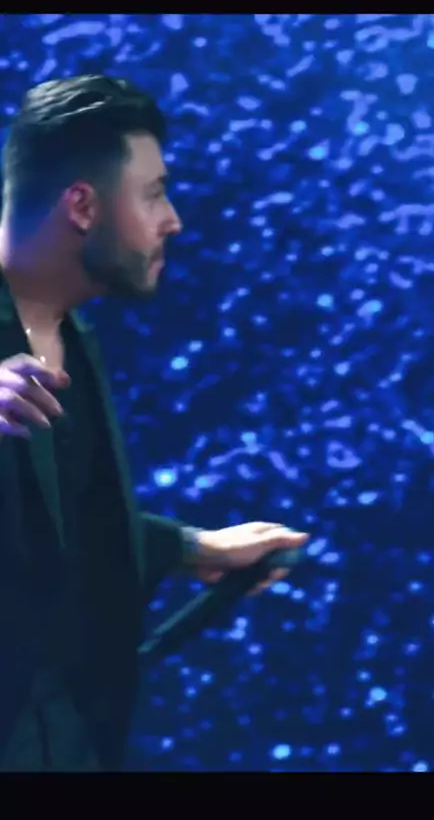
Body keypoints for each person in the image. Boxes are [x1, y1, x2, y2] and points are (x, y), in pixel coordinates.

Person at [0, 75, 308, 772]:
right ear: (83, 205)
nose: (173, 221)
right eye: (154, 193)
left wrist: (190, 549)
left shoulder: (71, 338)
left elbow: (54, 533)